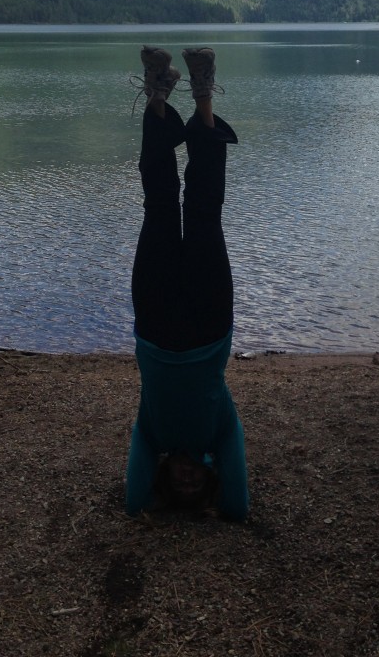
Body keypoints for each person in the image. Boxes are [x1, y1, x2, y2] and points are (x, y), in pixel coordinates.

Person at [125, 45, 249, 521]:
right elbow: (237, 507)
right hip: (208, 322)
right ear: (210, 476)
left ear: (165, 478)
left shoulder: (152, 432)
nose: (187, 479)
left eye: (180, 486)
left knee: (158, 208)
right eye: (196, 484)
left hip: (154, 326)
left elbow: (135, 500)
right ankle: (202, 93)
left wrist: (153, 500)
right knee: (202, 212)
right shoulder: (219, 431)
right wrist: (222, 492)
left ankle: (158, 90)